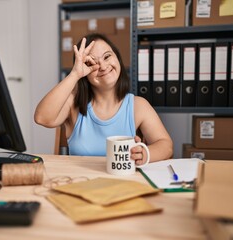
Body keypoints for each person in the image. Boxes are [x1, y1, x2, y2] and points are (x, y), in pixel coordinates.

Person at [34, 33, 173, 164]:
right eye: (92, 63)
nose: (103, 66)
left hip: (123, 185)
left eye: (107, 57)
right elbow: (42, 118)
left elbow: (166, 145)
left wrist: (144, 153)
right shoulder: (73, 104)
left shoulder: (138, 105)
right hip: (82, 184)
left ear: (117, 58)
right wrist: (75, 74)